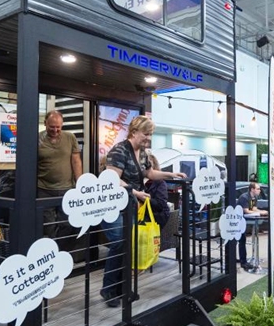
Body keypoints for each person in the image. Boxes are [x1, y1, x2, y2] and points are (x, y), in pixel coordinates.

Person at [100, 116, 185, 308]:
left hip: (130, 206)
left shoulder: (143, 153)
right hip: (112, 206)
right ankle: (109, 289)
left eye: (151, 135)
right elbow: (113, 178)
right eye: (146, 134)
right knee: (119, 243)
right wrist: (135, 191)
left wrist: (171, 174)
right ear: (134, 131)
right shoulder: (119, 150)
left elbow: (150, 174)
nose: (148, 138)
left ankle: (122, 289)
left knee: (128, 245)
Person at [37, 110, 83, 238]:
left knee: (67, 224)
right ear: (45, 123)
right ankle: (51, 253)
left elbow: (76, 161)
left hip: (67, 189)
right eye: (52, 127)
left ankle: (62, 251)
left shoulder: (70, 137)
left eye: (58, 127)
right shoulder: (37, 138)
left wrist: (80, 183)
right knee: (48, 226)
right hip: (44, 189)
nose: (55, 130)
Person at [237, 182, 267, 270]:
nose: (259, 190)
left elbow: (253, 208)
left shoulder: (254, 197)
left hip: (245, 221)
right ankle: (243, 262)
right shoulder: (244, 197)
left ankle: (244, 260)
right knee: (241, 241)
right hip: (237, 221)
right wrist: (260, 212)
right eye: (257, 189)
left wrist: (261, 211)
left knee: (242, 240)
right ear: (252, 189)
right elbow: (246, 210)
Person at [144, 153, 170, 228]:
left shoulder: (160, 183)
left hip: (156, 217)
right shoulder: (141, 181)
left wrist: (146, 199)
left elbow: (160, 204)